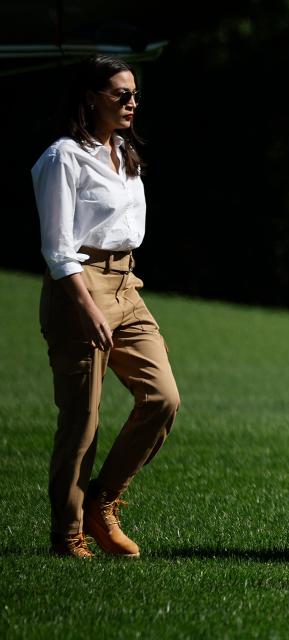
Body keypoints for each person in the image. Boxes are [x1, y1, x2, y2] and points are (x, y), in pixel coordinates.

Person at [32, 55, 179, 559]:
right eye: (121, 94)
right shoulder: (63, 159)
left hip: (126, 283)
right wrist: (86, 306)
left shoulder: (125, 154)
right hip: (80, 287)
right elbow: (57, 250)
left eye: (135, 94)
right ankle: (68, 535)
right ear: (91, 97)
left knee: (162, 398)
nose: (132, 102)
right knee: (82, 420)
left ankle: (103, 502)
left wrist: (118, 292)